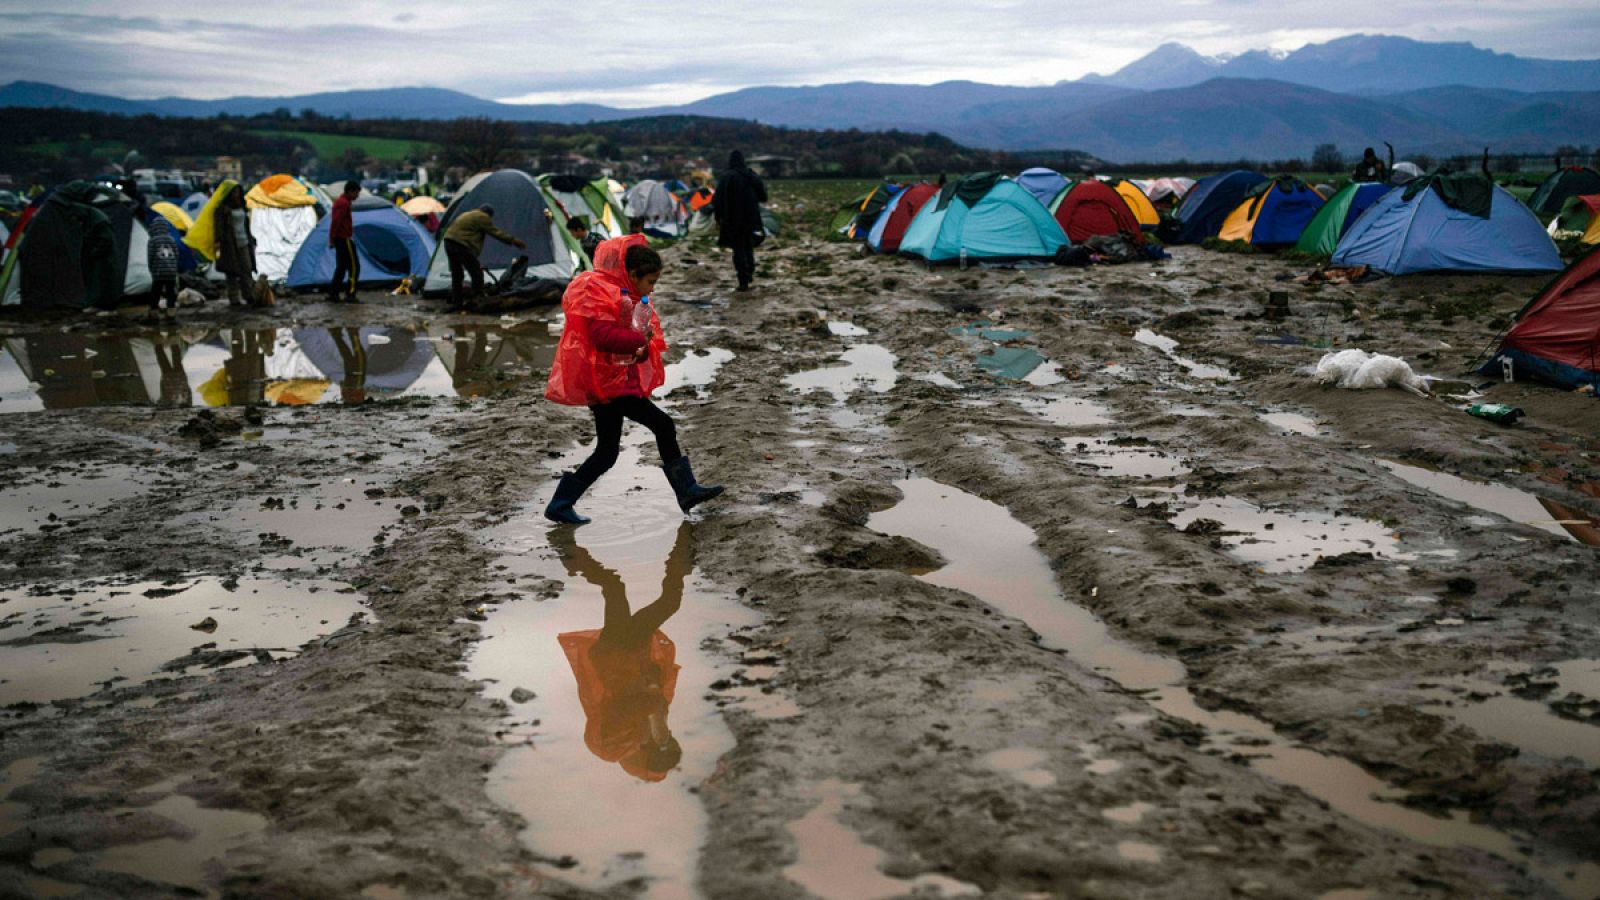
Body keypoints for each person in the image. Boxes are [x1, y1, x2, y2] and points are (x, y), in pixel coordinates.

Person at [544, 235, 723, 525]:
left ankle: (561, 504)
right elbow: (601, 337)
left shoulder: (622, 294)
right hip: (606, 384)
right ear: (633, 274)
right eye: (650, 282)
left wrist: (640, 350)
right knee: (662, 425)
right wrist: (639, 338)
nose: (652, 288)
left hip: (614, 381)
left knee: (607, 452)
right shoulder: (598, 290)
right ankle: (686, 490)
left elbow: (624, 346)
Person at [555, 522, 691, 781]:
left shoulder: (614, 745)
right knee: (615, 588)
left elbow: (626, 706)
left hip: (619, 653)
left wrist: (657, 717)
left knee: (666, 601)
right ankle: (570, 554)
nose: (668, 738)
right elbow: (648, 687)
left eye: (666, 744)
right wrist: (655, 709)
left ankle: (685, 550)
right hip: (623, 654)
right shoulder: (635, 738)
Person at [441, 204, 526, 309]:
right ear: (488, 214)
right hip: (460, 245)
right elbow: (495, 232)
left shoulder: (467, 214)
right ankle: (477, 300)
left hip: (449, 242)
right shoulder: (482, 217)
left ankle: (456, 303)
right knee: (477, 274)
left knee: (457, 274)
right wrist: (513, 240)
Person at [713, 150, 767, 292]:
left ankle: (743, 280)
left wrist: (718, 218)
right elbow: (763, 196)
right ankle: (749, 271)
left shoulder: (726, 177)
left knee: (738, 249)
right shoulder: (751, 175)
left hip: (732, 219)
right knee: (748, 245)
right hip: (751, 218)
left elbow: (717, 201)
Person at [214, 183, 255, 306]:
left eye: (238, 191)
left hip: (244, 242)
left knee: (246, 268)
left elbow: (245, 225)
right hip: (229, 244)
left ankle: (248, 294)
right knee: (231, 270)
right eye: (234, 192)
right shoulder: (222, 209)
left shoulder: (242, 206)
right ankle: (234, 298)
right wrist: (219, 241)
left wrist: (251, 238)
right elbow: (219, 227)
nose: (236, 194)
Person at [327, 180, 361, 304]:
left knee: (341, 267)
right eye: (356, 193)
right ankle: (351, 293)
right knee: (354, 267)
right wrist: (332, 238)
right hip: (344, 238)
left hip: (339, 238)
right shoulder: (343, 203)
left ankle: (333, 293)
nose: (357, 196)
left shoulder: (341, 202)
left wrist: (332, 239)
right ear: (350, 191)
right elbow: (336, 222)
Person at [146, 217, 181, 314]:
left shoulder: (152, 240)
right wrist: (174, 267)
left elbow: (151, 256)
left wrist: (151, 269)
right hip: (171, 271)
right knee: (170, 292)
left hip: (158, 271)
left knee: (156, 292)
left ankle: (153, 312)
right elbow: (176, 254)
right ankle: (171, 312)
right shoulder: (171, 239)